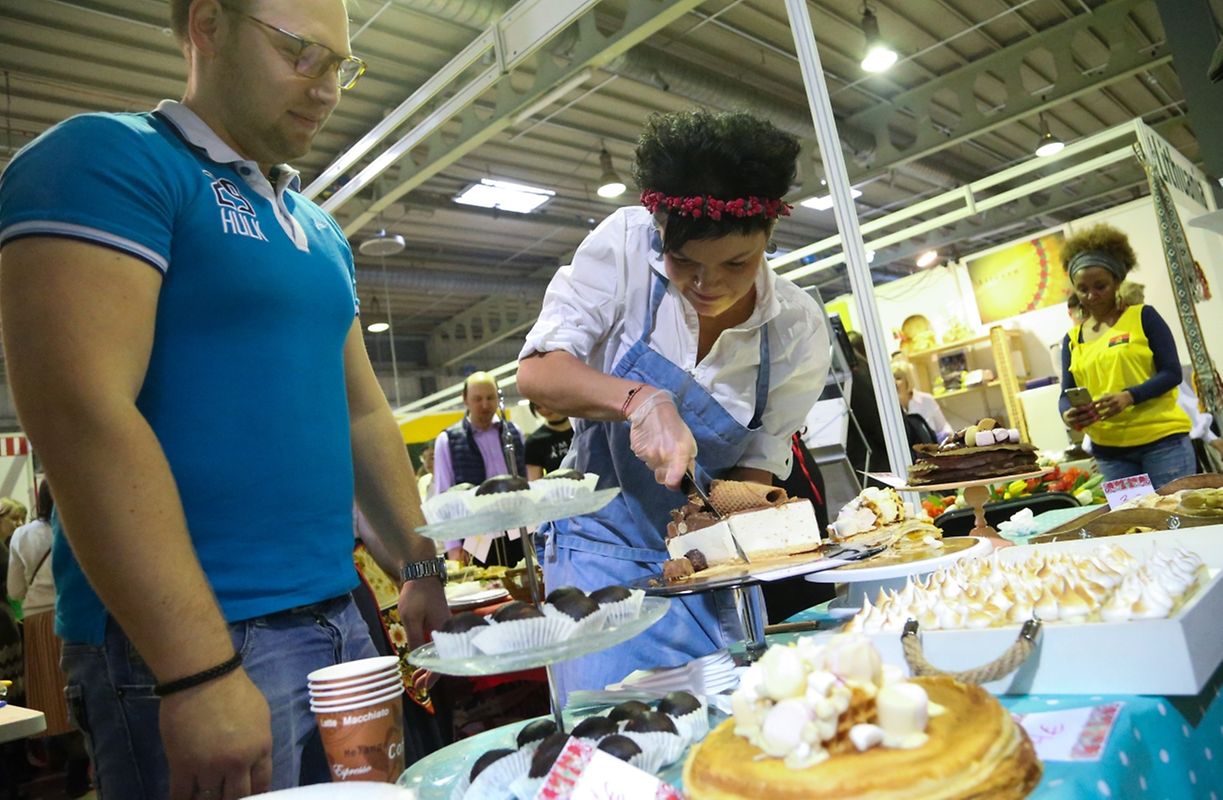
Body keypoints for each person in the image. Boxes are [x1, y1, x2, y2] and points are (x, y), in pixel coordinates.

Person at [0, 1, 449, 797]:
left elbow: (361, 413)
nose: (327, 89)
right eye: (302, 54)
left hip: (337, 618)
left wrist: (419, 567)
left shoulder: (316, 227)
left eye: (340, 66)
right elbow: (80, 414)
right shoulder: (109, 160)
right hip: (198, 641)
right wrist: (196, 669)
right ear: (208, 24)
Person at [516, 109, 830, 699]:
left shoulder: (795, 329)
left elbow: (754, 470)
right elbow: (538, 372)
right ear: (660, 226)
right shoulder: (627, 249)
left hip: (715, 568)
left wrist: (709, 539)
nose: (708, 285)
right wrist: (641, 399)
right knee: (617, 744)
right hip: (600, 564)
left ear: (768, 236)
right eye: (684, 262)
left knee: (739, 730)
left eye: (736, 263)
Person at [1057, 224, 1194, 487]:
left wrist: (1130, 396)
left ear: (1117, 281)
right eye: (1082, 288)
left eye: (1100, 286)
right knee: (1130, 524)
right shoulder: (1072, 339)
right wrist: (1067, 414)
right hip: (1109, 451)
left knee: (1176, 522)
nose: (1091, 295)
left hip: (1162, 442)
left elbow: (1171, 373)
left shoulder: (1143, 317)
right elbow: (1066, 393)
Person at [7, 482, 92, 797]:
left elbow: (15, 589)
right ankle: (78, 771)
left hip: (33, 621)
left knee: (46, 696)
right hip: (67, 616)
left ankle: (56, 763)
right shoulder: (74, 526)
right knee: (74, 694)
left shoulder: (21, 535)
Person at [434, 372, 527, 565]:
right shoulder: (448, 441)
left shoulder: (514, 433)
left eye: (490, 397)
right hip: (475, 538)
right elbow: (444, 496)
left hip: (518, 530)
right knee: (487, 589)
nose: (485, 405)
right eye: (478, 399)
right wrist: (453, 546)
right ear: (465, 400)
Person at [844, 331, 889, 481]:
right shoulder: (855, 369)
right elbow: (881, 423)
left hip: (862, 468)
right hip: (877, 467)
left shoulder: (844, 369)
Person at [892, 361, 953, 442]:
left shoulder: (926, 400)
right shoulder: (891, 409)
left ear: (908, 380)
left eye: (898, 378)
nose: (894, 383)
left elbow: (943, 427)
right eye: (891, 378)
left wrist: (945, 438)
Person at [524, 401, 574, 479]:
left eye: (547, 403)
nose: (544, 410)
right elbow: (534, 482)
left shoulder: (584, 429)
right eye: (538, 407)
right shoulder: (535, 441)